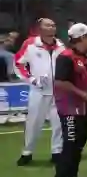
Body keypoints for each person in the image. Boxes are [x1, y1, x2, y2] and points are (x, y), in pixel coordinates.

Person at [49, 23, 87, 177]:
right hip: (70, 109)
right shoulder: (66, 57)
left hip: (84, 109)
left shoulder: (84, 58)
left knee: (78, 145)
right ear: (82, 38)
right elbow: (60, 82)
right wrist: (83, 94)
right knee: (69, 146)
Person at [14, 18, 64, 166]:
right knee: (34, 123)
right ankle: (27, 152)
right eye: (48, 25)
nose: (52, 27)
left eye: (53, 25)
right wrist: (32, 79)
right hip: (38, 91)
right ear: (39, 28)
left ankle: (57, 152)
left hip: (58, 90)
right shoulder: (30, 44)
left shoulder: (61, 46)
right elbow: (18, 63)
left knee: (58, 123)